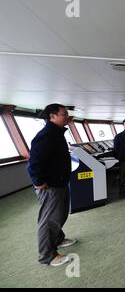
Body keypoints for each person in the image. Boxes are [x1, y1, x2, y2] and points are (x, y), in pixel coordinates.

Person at [26, 103, 77, 267]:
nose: (67, 116)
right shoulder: (46, 136)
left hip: (60, 182)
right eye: (64, 114)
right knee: (48, 221)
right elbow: (33, 163)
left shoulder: (56, 133)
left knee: (60, 215)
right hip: (49, 186)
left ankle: (58, 239)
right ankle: (47, 256)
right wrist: (39, 182)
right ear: (52, 116)